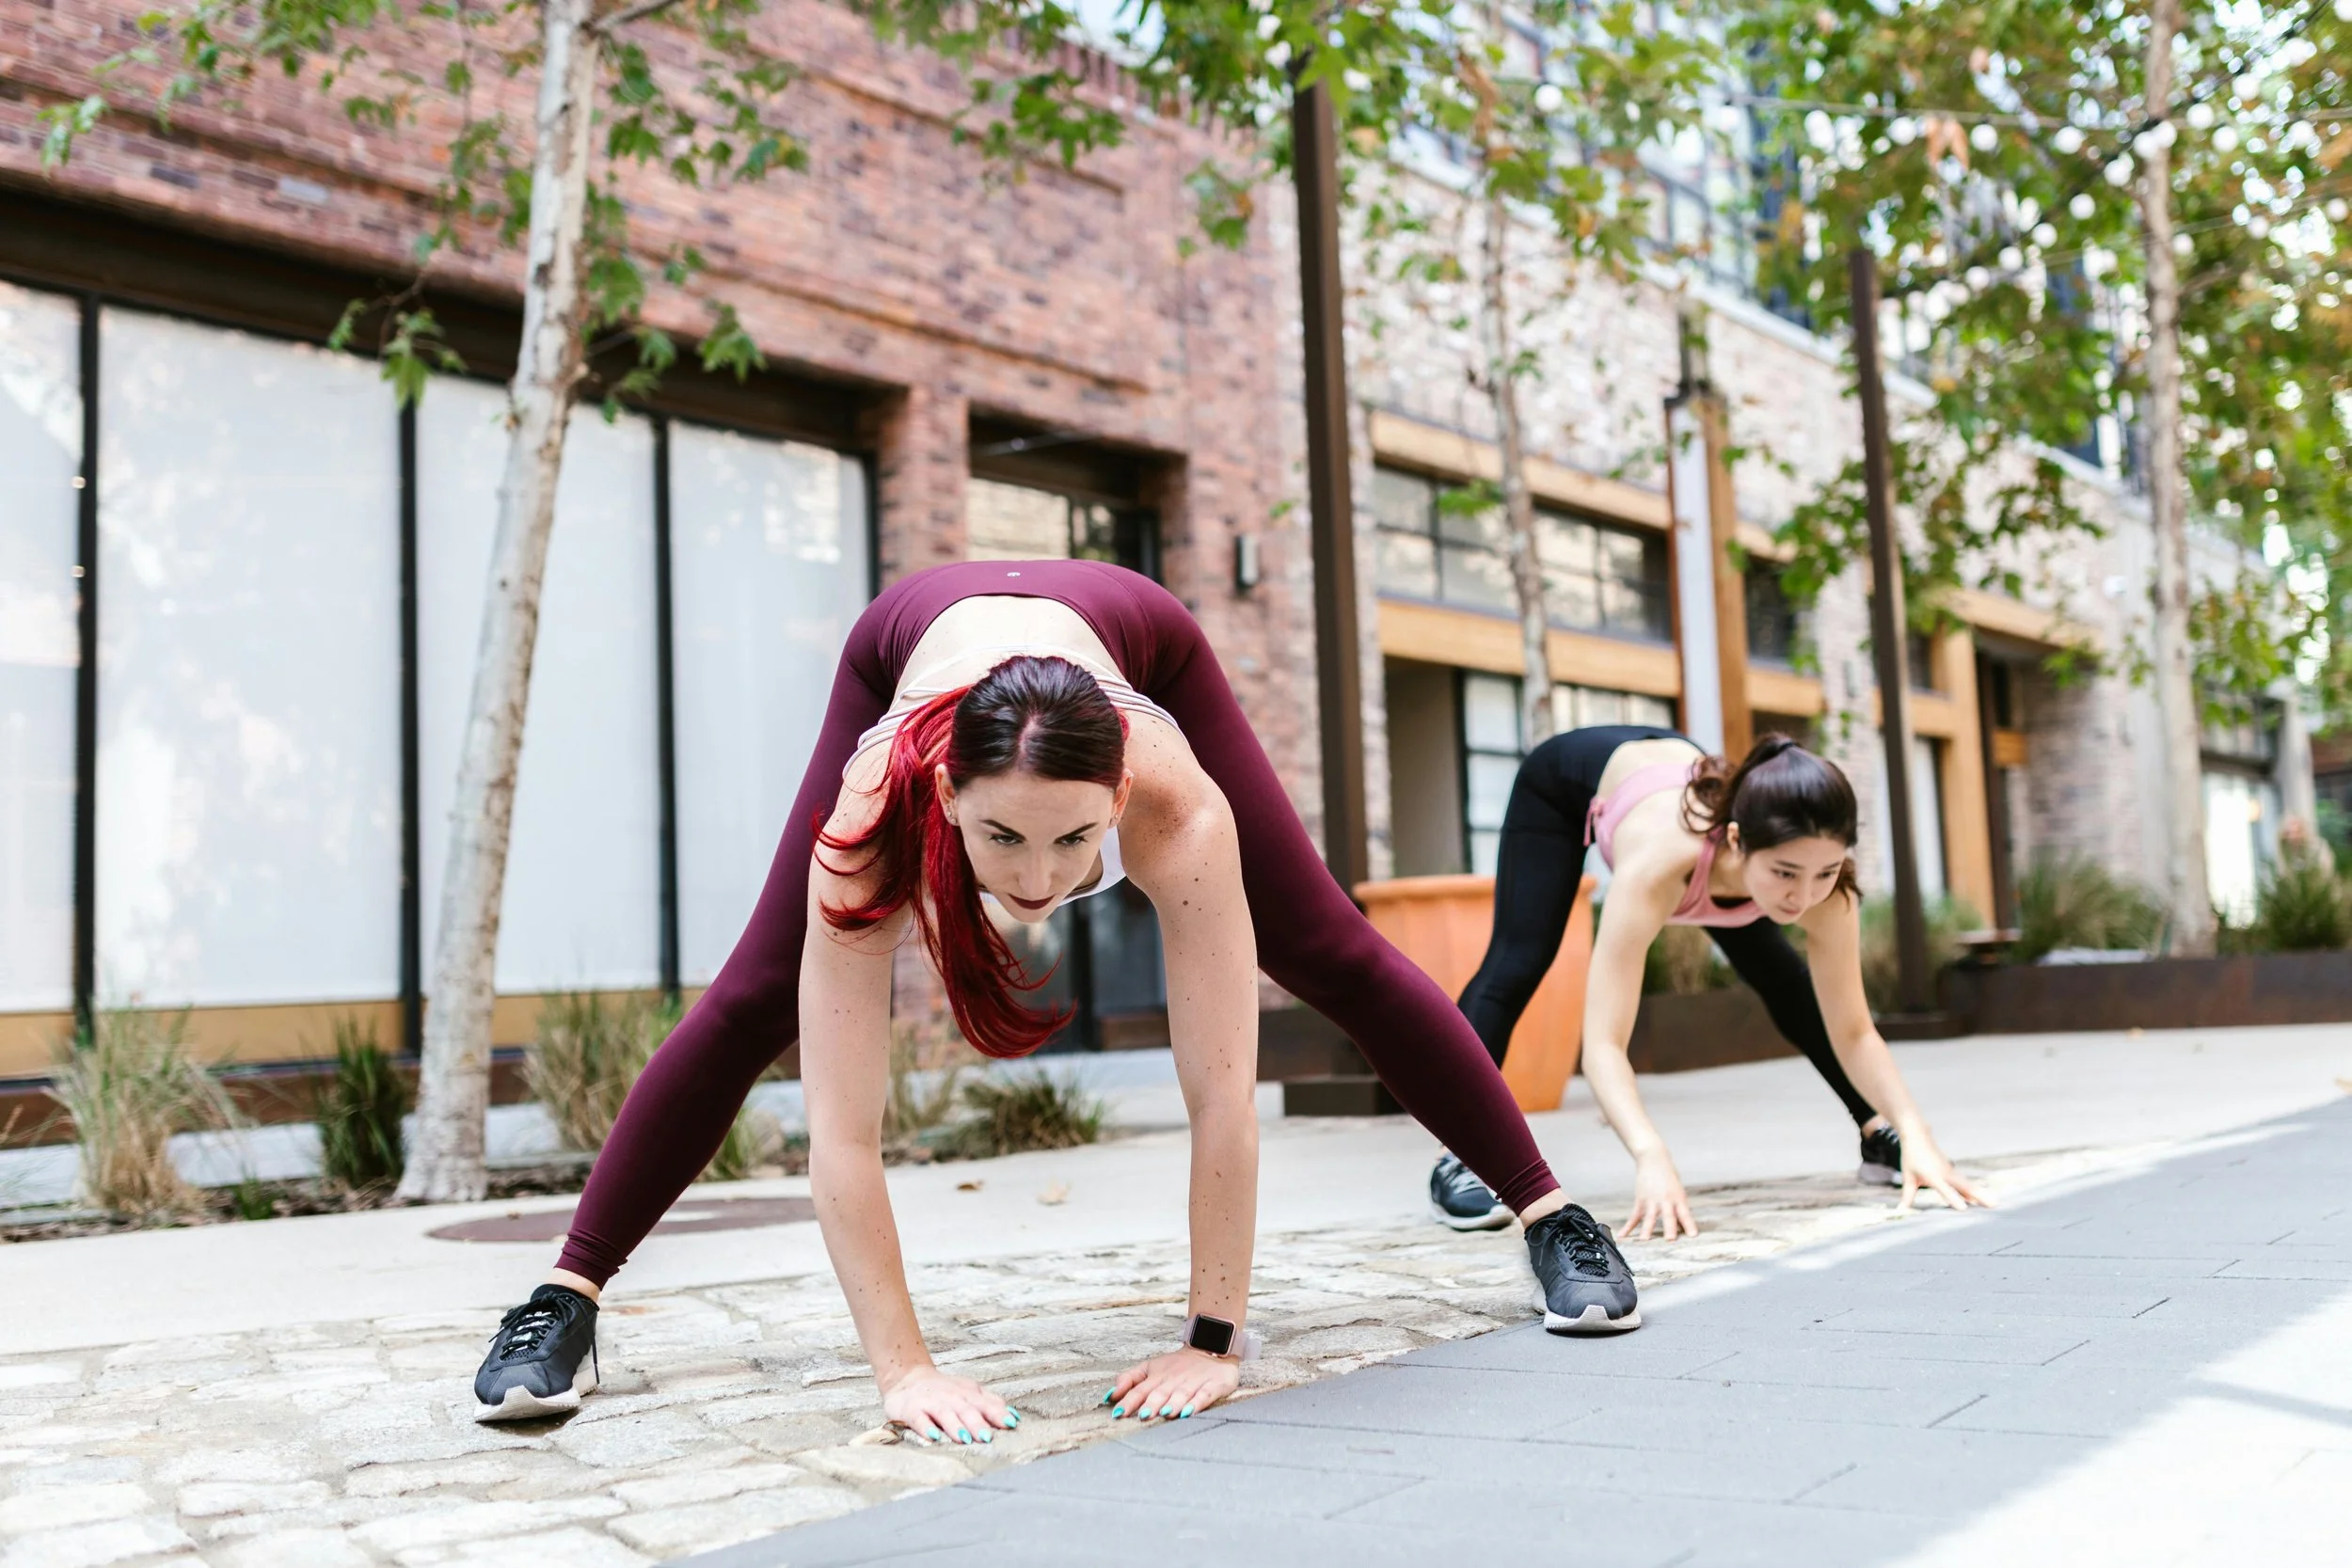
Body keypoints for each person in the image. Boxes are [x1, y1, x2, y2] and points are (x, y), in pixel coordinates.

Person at [473, 560, 1645, 1433]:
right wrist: (904, 1371)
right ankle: (564, 1294)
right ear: (943, 789)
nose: (1040, 884)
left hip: (1133, 628)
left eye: (1076, 838)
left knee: (1326, 943)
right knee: (752, 994)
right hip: (910, 632)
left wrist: (1213, 1338)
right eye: (1002, 839)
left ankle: (1550, 1214)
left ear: (1120, 790)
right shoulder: (874, 811)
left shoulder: (1176, 802)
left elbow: (1222, 1093)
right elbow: (843, 1130)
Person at [1425, 725, 1991, 1240]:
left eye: (1823, 872)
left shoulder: (1824, 888)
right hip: (1563, 782)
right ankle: (1458, 1154)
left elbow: (1855, 1030)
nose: (1802, 896)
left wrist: (1915, 1129)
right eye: (1785, 874)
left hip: (1677, 778)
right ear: (1738, 840)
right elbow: (1603, 1044)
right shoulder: (1659, 864)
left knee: (1784, 977)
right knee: (1519, 962)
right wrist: (1650, 1154)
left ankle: (1875, 1132)